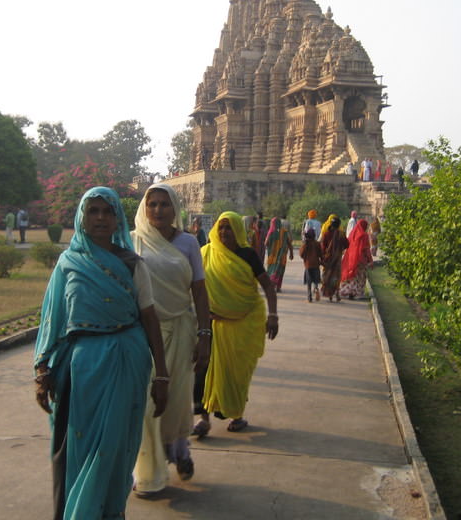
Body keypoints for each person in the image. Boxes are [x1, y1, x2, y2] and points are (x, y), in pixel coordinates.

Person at [32, 186, 169, 520]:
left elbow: (149, 316)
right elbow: (52, 317)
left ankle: (109, 511)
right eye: (93, 211)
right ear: (82, 217)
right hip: (82, 368)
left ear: (117, 218)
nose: (100, 218)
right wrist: (42, 371)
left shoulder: (132, 264)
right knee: (82, 445)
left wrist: (162, 374)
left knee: (114, 448)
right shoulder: (69, 263)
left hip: (127, 359)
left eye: (107, 212)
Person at [131, 184, 211, 495]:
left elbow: (199, 292)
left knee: (176, 401)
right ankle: (150, 470)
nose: (158, 210)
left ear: (175, 208)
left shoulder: (189, 243)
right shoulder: (132, 241)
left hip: (180, 329)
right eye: (152, 204)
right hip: (144, 335)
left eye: (165, 204)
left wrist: (204, 336)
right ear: (144, 207)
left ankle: (180, 453)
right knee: (148, 404)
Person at [196, 211, 278, 434]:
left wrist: (273, 316)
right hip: (211, 324)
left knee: (238, 374)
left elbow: (268, 287)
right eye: (221, 227)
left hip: (244, 324)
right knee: (204, 371)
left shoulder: (248, 255)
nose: (224, 232)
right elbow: (195, 288)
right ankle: (204, 418)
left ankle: (237, 414)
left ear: (238, 230)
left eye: (229, 227)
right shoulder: (205, 253)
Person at [340, 218, 373, 300]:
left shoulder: (353, 233)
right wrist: (370, 260)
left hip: (351, 258)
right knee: (360, 277)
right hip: (361, 260)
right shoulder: (364, 235)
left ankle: (348, 291)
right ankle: (357, 293)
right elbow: (366, 249)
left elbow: (347, 245)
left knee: (351, 275)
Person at [320, 214, 348, 302]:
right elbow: (347, 244)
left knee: (327, 275)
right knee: (336, 277)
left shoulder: (326, 233)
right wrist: (340, 249)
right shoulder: (341, 234)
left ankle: (328, 293)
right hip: (337, 259)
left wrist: (323, 256)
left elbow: (323, 247)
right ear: (339, 225)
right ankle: (336, 293)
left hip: (328, 259)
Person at [264, 216, 293, 292]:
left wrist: (271, 246)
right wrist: (291, 253)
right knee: (280, 270)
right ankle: (278, 287)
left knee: (271, 270)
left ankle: (272, 284)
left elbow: (266, 243)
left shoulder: (271, 232)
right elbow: (289, 243)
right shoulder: (285, 232)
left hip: (272, 257)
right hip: (282, 256)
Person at [299, 228, 323, 302]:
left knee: (309, 281)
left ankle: (309, 296)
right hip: (316, 264)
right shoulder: (317, 243)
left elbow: (301, 254)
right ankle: (316, 288)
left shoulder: (305, 244)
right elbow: (320, 254)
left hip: (308, 265)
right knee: (316, 280)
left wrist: (305, 258)